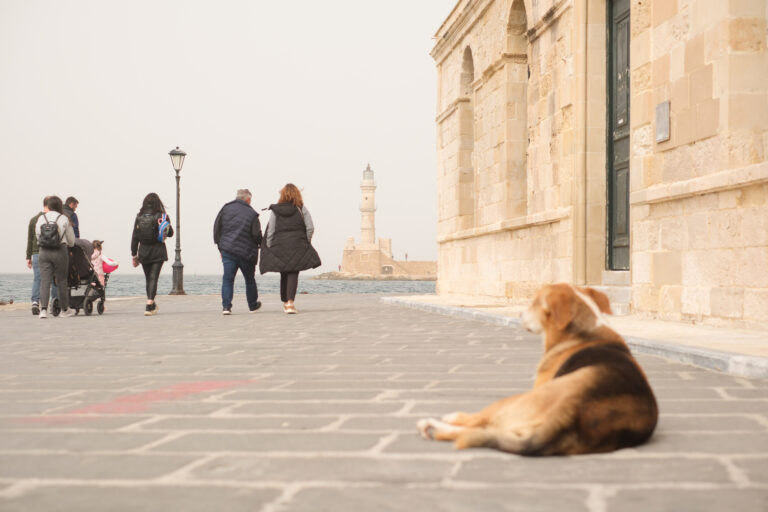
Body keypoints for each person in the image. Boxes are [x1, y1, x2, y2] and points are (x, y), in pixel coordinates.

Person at [259, 184, 321, 314]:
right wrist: (306, 241)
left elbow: (271, 229)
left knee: (284, 271)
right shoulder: (301, 208)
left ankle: (285, 302)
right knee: (293, 272)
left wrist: (269, 244)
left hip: (280, 245)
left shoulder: (276, 210)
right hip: (297, 245)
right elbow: (310, 227)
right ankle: (290, 303)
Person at [213, 189, 263, 315]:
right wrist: (261, 244)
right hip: (247, 252)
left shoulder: (226, 209)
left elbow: (217, 229)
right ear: (247, 199)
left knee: (228, 279)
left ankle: (226, 307)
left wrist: (221, 247)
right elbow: (256, 234)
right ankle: (252, 305)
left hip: (228, 250)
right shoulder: (252, 214)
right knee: (249, 279)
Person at [130, 193, 173, 316]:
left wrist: (134, 255)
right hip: (158, 250)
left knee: (149, 278)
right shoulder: (162, 216)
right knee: (154, 277)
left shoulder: (139, 217)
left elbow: (135, 237)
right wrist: (164, 227)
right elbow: (170, 234)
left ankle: (151, 303)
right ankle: (149, 304)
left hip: (143, 251)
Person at [35, 195, 76, 319]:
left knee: (45, 281)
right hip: (60, 251)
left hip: (44, 251)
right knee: (61, 280)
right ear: (59, 205)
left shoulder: (41, 218)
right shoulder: (63, 218)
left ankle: (43, 310)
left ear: (48, 205)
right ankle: (64, 310)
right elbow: (72, 241)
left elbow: (38, 236)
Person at [26, 196, 49, 315]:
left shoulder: (34, 219)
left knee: (37, 278)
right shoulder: (52, 219)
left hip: (35, 253)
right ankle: (56, 301)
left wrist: (28, 257)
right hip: (49, 252)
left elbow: (30, 239)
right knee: (53, 278)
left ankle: (35, 302)